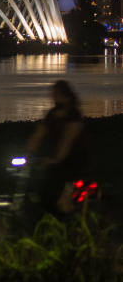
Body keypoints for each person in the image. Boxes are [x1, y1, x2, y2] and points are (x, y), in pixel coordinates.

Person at [25, 79, 89, 216]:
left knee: (59, 197)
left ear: (64, 95)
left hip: (75, 158)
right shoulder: (52, 113)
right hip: (56, 157)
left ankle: (66, 216)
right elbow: (38, 134)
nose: (52, 97)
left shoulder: (73, 114)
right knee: (41, 186)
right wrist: (27, 153)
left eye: (55, 94)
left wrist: (56, 159)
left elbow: (67, 140)